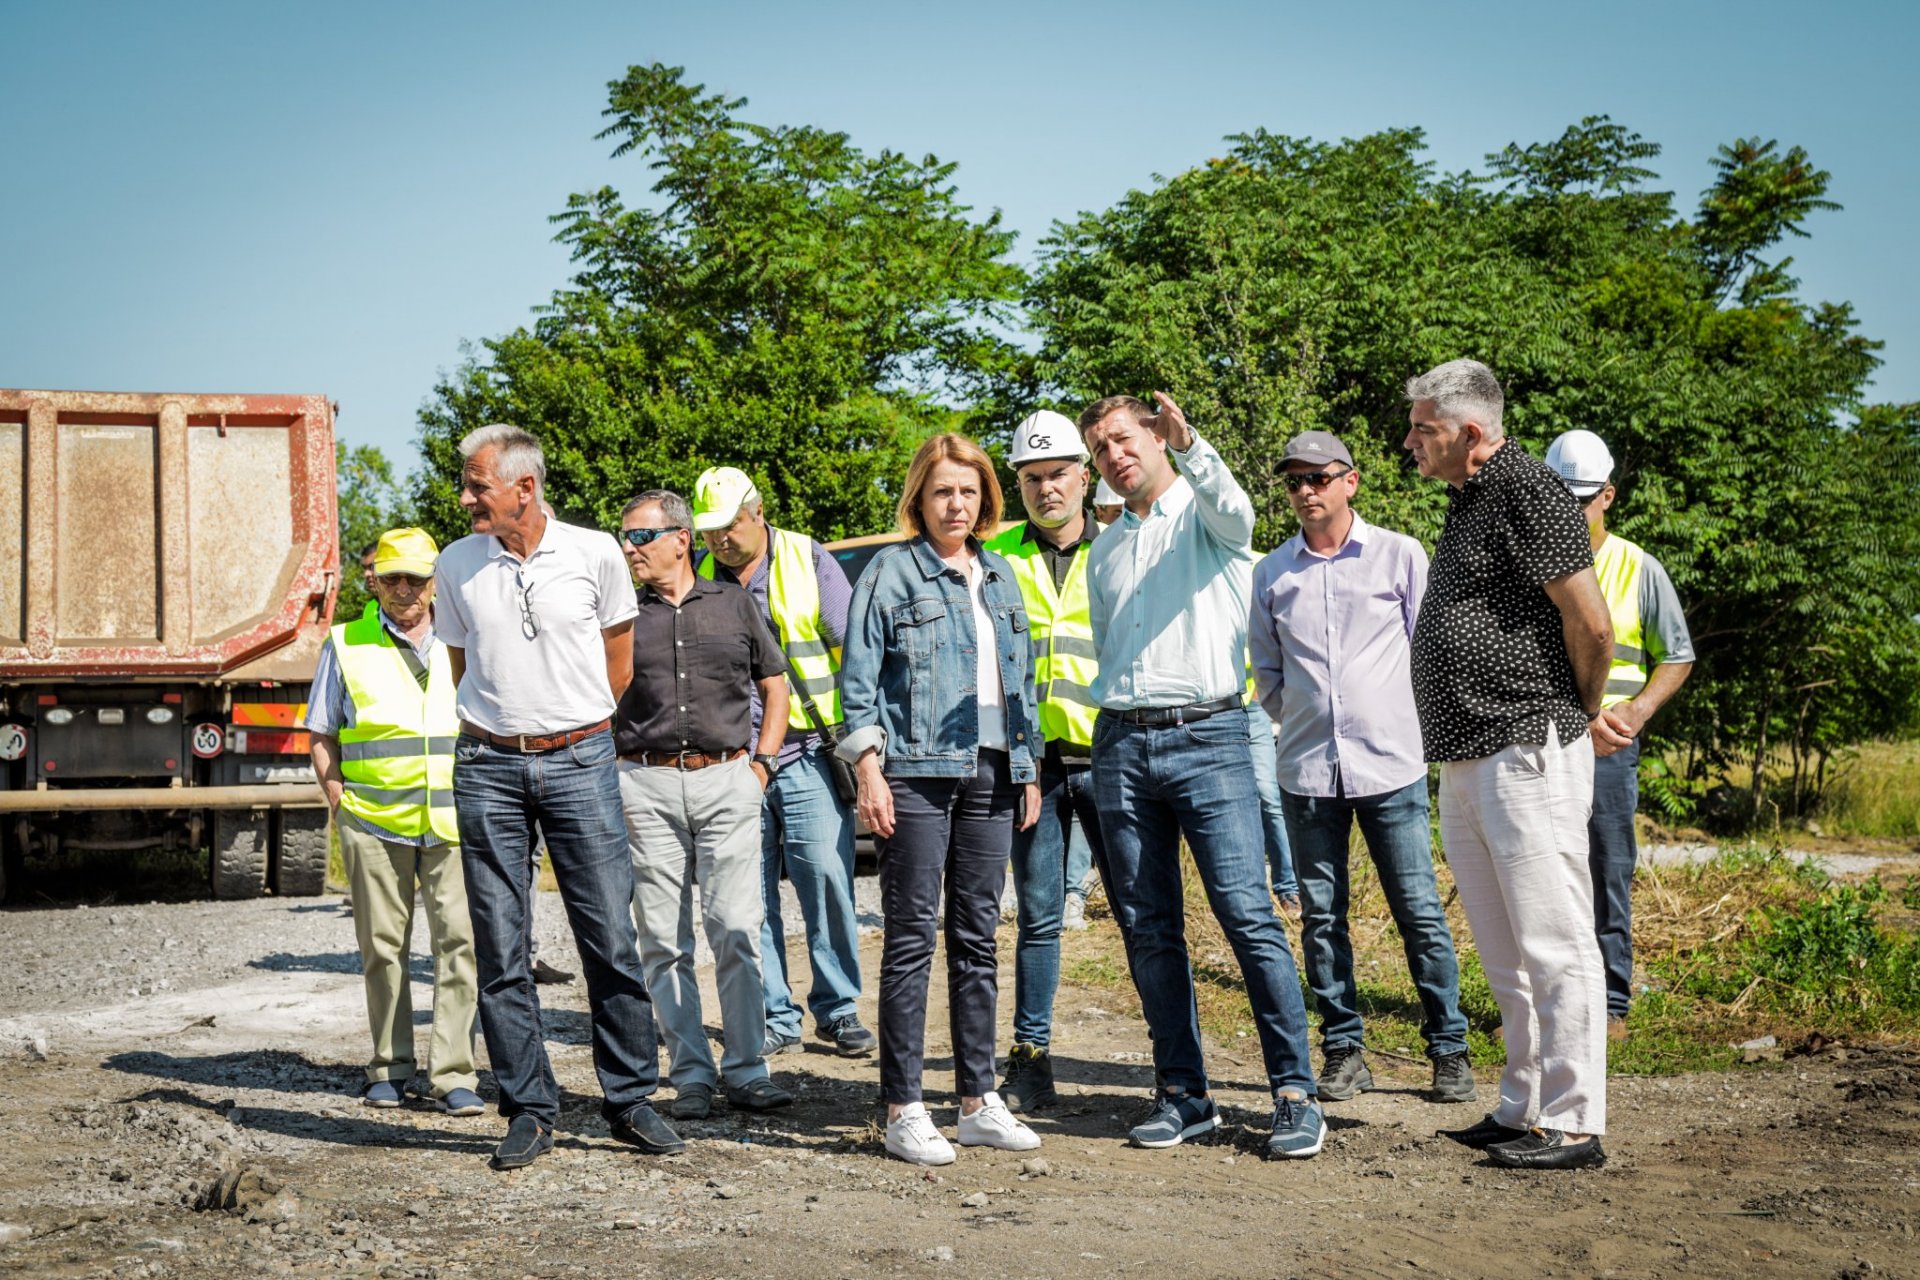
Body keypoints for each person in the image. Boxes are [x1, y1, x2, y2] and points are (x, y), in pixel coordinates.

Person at [1080, 391, 1324, 1161]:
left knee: (1247, 915)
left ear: (1156, 437)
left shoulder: (1209, 517)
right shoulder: (1106, 548)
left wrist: (1194, 446)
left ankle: (1294, 1092)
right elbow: (1108, 645)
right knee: (1148, 928)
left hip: (1210, 735)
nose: (1114, 457)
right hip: (1121, 740)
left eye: (1123, 440)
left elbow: (1239, 511)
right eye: (1100, 451)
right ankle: (1184, 1094)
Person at [434, 423, 683, 1170]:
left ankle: (631, 1099)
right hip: (487, 766)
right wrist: (510, 733)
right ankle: (530, 1108)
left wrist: (564, 731)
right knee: (500, 945)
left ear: (525, 487)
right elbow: (461, 665)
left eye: (478, 485)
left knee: (609, 933)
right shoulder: (456, 564)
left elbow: (617, 666)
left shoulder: (595, 552)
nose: (467, 497)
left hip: (580, 760)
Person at [1402, 361, 1616, 1171]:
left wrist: (1579, 713)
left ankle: (1573, 1121)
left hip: (1529, 743)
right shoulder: (1469, 501)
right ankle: (1523, 1102)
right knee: (1504, 947)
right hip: (1467, 752)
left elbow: (1592, 627)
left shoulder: (1528, 489)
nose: (1411, 443)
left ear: (1472, 434)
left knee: (1554, 939)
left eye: (1424, 429)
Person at [1249, 431, 1475, 1107]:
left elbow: (1430, 646)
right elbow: (1266, 671)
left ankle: (1450, 1049)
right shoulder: (1273, 572)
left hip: (1391, 765)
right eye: (1294, 481)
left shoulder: (1400, 555)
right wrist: (1306, 716)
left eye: (1319, 477)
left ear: (1351, 481)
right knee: (1321, 917)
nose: (1306, 491)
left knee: (1420, 912)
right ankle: (1344, 1050)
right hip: (1309, 772)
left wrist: (1396, 720)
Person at [837, 432, 1045, 1166]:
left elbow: (1022, 685)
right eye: (941, 492)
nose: (956, 504)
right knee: (911, 938)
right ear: (919, 500)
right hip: (917, 775)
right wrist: (868, 772)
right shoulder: (891, 574)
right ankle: (903, 1107)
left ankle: (978, 1100)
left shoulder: (1001, 575)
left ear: (985, 497)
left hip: (993, 772)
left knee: (979, 938)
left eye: (967, 491)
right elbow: (857, 688)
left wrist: (1029, 768)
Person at [615, 489, 796, 1120]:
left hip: (729, 781)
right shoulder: (618, 614)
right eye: (625, 537)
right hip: (645, 786)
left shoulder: (734, 603)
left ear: (679, 538)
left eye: (640, 537)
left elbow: (775, 685)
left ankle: (747, 1070)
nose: (629, 549)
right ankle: (690, 1073)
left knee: (739, 929)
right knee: (662, 941)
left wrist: (762, 765)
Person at [689, 466, 874, 1059]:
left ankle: (839, 1009)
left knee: (826, 879)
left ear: (758, 511)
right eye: (709, 529)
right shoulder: (694, 575)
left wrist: (863, 738)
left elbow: (855, 649)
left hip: (806, 752)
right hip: (732, 760)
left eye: (728, 526)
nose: (718, 539)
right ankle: (774, 1015)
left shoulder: (805, 558)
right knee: (750, 896)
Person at [305, 527, 481, 1117]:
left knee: (462, 945)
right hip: (373, 822)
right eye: (392, 578)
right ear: (373, 580)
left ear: (437, 583)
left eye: (417, 578)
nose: (404, 590)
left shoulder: (467, 637)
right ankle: (388, 1067)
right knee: (383, 948)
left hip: (457, 821)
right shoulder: (346, 642)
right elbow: (322, 731)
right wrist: (339, 801)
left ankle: (454, 1072)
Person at [1545, 429, 1696, 1033]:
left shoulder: (1638, 566)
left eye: (1580, 499)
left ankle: (1610, 1002)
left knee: (1606, 869)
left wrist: (1635, 712)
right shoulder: (1531, 563)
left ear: (1607, 495)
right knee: (1545, 873)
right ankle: (1551, 1004)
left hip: (1607, 744)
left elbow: (1677, 655)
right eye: (1559, 497)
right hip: (1544, 739)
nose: (1568, 510)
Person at [982, 411, 1110, 1112]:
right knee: (1036, 915)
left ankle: (1171, 1060)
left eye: (1058, 473)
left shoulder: (1122, 547)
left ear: (1083, 477)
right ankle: (1031, 1058)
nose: (1045, 488)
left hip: (1113, 755)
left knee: (1146, 915)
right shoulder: (997, 554)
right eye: (1031, 477)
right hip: (1033, 765)